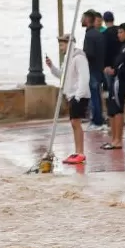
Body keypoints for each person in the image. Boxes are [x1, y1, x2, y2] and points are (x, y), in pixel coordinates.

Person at [45, 34, 91, 164]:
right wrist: (52, 67)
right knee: (74, 124)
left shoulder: (79, 58)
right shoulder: (67, 59)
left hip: (78, 95)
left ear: (69, 44)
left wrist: (78, 96)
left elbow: (84, 77)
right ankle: (77, 151)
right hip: (71, 95)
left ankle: (80, 152)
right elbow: (63, 75)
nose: (61, 48)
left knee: (76, 123)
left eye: (62, 45)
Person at [103, 22, 125, 150]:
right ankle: (113, 139)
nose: (119, 35)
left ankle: (118, 140)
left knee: (117, 108)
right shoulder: (122, 46)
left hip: (121, 81)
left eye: (121, 32)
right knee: (111, 109)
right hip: (115, 79)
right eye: (118, 32)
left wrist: (115, 71)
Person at [82, 10, 107, 131]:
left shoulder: (89, 35)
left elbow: (90, 54)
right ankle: (99, 119)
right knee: (96, 94)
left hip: (92, 69)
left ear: (87, 20)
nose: (81, 20)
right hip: (99, 68)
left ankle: (96, 121)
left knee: (94, 95)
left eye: (83, 18)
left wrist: (82, 56)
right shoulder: (98, 34)